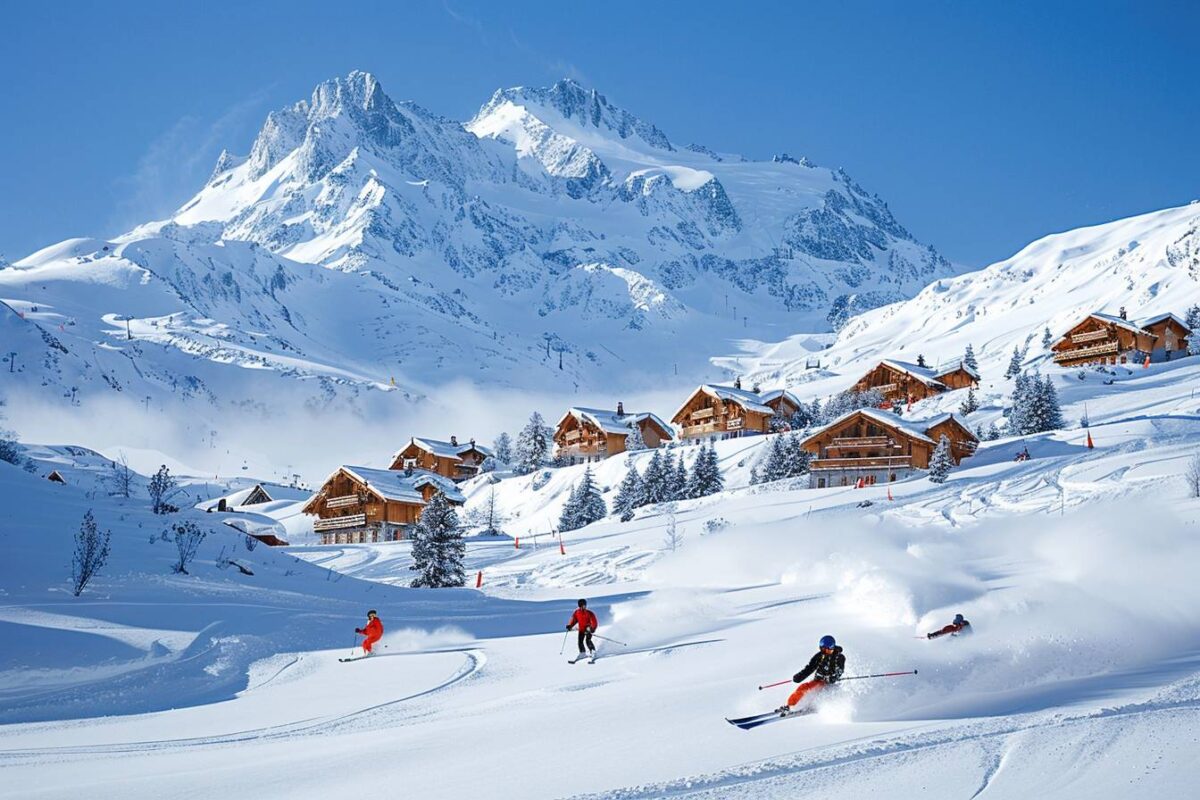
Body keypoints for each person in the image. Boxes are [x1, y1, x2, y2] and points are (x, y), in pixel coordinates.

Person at [778, 635, 845, 713]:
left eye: (829, 650)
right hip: (819, 680)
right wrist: (799, 677)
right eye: (824, 650)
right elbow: (810, 668)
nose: (826, 652)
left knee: (821, 692)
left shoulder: (839, 657)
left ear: (833, 648)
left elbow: (840, 671)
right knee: (804, 688)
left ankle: (818, 705)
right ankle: (789, 706)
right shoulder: (819, 656)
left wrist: (834, 677)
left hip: (831, 683)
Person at [566, 599, 598, 663]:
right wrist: (570, 625)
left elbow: (594, 622)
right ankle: (582, 653)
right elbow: (574, 620)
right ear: (579, 605)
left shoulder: (589, 613)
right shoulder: (577, 612)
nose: (584, 607)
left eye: (584, 605)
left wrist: (592, 629)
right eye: (582, 605)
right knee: (580, 642)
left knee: (587, 640)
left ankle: (593, 652)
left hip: (588, 629)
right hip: (581, 629)